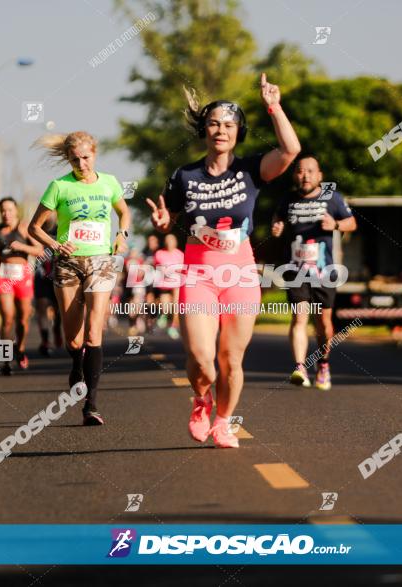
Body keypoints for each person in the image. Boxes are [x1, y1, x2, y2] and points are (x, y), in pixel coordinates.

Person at [147, 73, 301, 448]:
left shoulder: (251, 171)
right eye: (214, 123)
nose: (221, 130)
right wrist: (166, 221)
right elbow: (172, 216)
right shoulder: (185, 176)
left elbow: (290, 151)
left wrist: (274, 107)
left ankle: (223, 421)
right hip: (198, 273)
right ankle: (201, 400)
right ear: (204, 129)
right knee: (201, 359)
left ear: (238, 132)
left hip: (240, 273)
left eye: (229, 125)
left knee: (231, 359)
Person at [29, 130, 131, 426]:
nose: (81, 164)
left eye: (86, 158)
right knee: (74, 339)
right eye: (75, 160)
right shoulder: (59, 186)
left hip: (101, 261)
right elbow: (33, 228)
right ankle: (76, 364)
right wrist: (54, 245)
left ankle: (91, 405)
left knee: (93, 333)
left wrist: (121, 235)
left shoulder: (110, 183)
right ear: (69, 159)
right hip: (67, 264)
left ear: (94, 154)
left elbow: (124, 212)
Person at [271, 154, 356, 390]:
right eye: (300, 170)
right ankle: (300, 367)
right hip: (295, 270)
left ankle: (323, 364)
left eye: (310, 171)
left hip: (323, 270)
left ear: (320, 176)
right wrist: (276, 227)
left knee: (323, 323)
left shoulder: (332, 198)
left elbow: (352, 222)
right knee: (299, 317)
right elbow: (277, 218)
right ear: (295, 174)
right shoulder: (288, 199)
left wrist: (336, 225)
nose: (305, 175)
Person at [0, 197, 43, 374]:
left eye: (10, 210)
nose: (6, 214)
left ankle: (19, 349)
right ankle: (6, 359)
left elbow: (40, 250)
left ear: (16, 211)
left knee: (23, 318)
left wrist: (22, 246)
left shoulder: (24, 227)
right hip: (3, 274)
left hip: (22, 275)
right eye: (3, 210)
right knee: (7, 317)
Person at [33, 219, 62, 357]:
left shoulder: (62, 226)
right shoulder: (35, 227)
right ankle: (45, 341)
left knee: (59, 310)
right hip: (41, 275)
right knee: (41, 307)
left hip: (58, 275)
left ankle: (56, 328)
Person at [153, 233, 183, 339]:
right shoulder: (159, 253)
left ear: (175, 242)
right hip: (164, 284)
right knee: (165, 306)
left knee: (176, 306)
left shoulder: (179, 254)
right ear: (165, 242)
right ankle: (164, 315)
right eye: (168, 241)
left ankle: (173, 327)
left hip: (176, 284)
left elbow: (183, 269)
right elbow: (157, 267)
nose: (170, 243)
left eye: (171, 240)